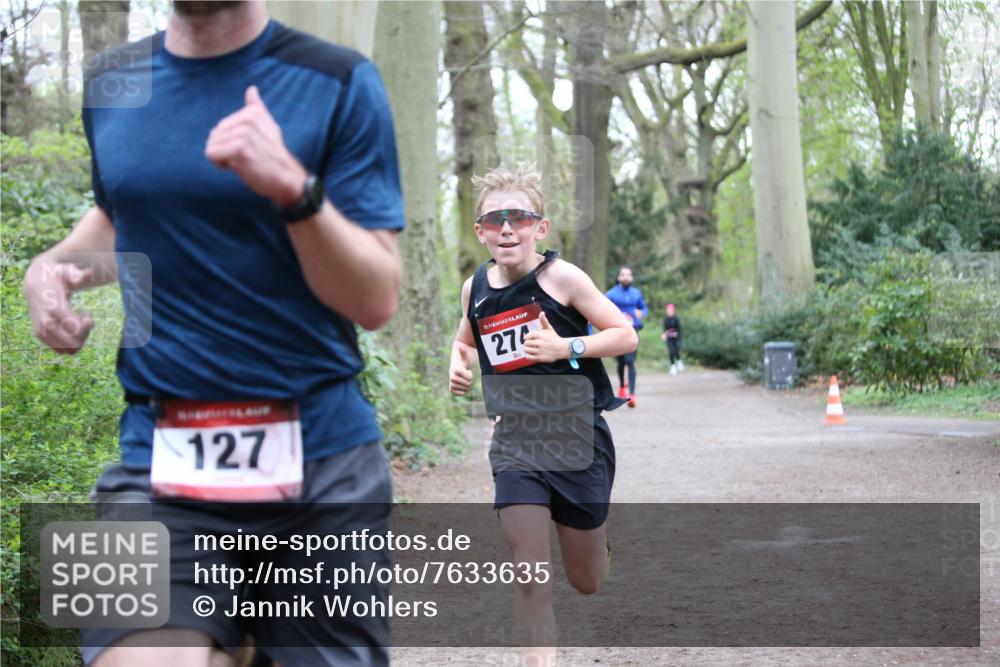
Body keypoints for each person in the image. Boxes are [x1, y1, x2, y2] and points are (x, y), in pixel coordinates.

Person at [22, 2, 403, 666]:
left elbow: (375, 298)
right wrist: (49, 270)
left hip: (322, 467)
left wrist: (293, 189)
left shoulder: (339, 79)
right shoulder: (112, 81)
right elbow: (121, 213)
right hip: (157, 457)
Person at [447, 164, 637, 666]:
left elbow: (625, 335)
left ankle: (597, 544)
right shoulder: (475, 288)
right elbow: (465, 341)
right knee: (530, 575)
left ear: (541, 227)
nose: (507, 228)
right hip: (515, 443)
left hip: (577, 440)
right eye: (495, 219)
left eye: (519, 218)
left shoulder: (562, 278)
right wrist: (457, 365)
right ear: (481, 231)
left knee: (586, 580)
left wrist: (565, 346)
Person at [604, 267, 648, 407]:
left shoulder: (636, 293)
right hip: (618, 331)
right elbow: (602, 308)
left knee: (630, 361)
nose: (626, 277)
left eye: (628, 275)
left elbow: (644, 308)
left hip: (633, 330)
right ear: (619, 277)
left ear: (632, 278)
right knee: (621, 362)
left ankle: (632, 395)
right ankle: (622, 386)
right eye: (623, 275)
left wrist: (641, 313)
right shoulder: (611, 294)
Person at [661, 303, 684, 374]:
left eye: (670, 310)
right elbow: (665, 330)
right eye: (668, 310)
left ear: (673, 311)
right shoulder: (666, 320)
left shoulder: (676, 319)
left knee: (676, 351)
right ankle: (673, 366)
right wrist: (664, 334)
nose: (669, 311)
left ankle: (679, 361)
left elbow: (679, 330)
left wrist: (676, 334)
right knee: (670, 352)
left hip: (676, 338)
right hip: (669, 339)